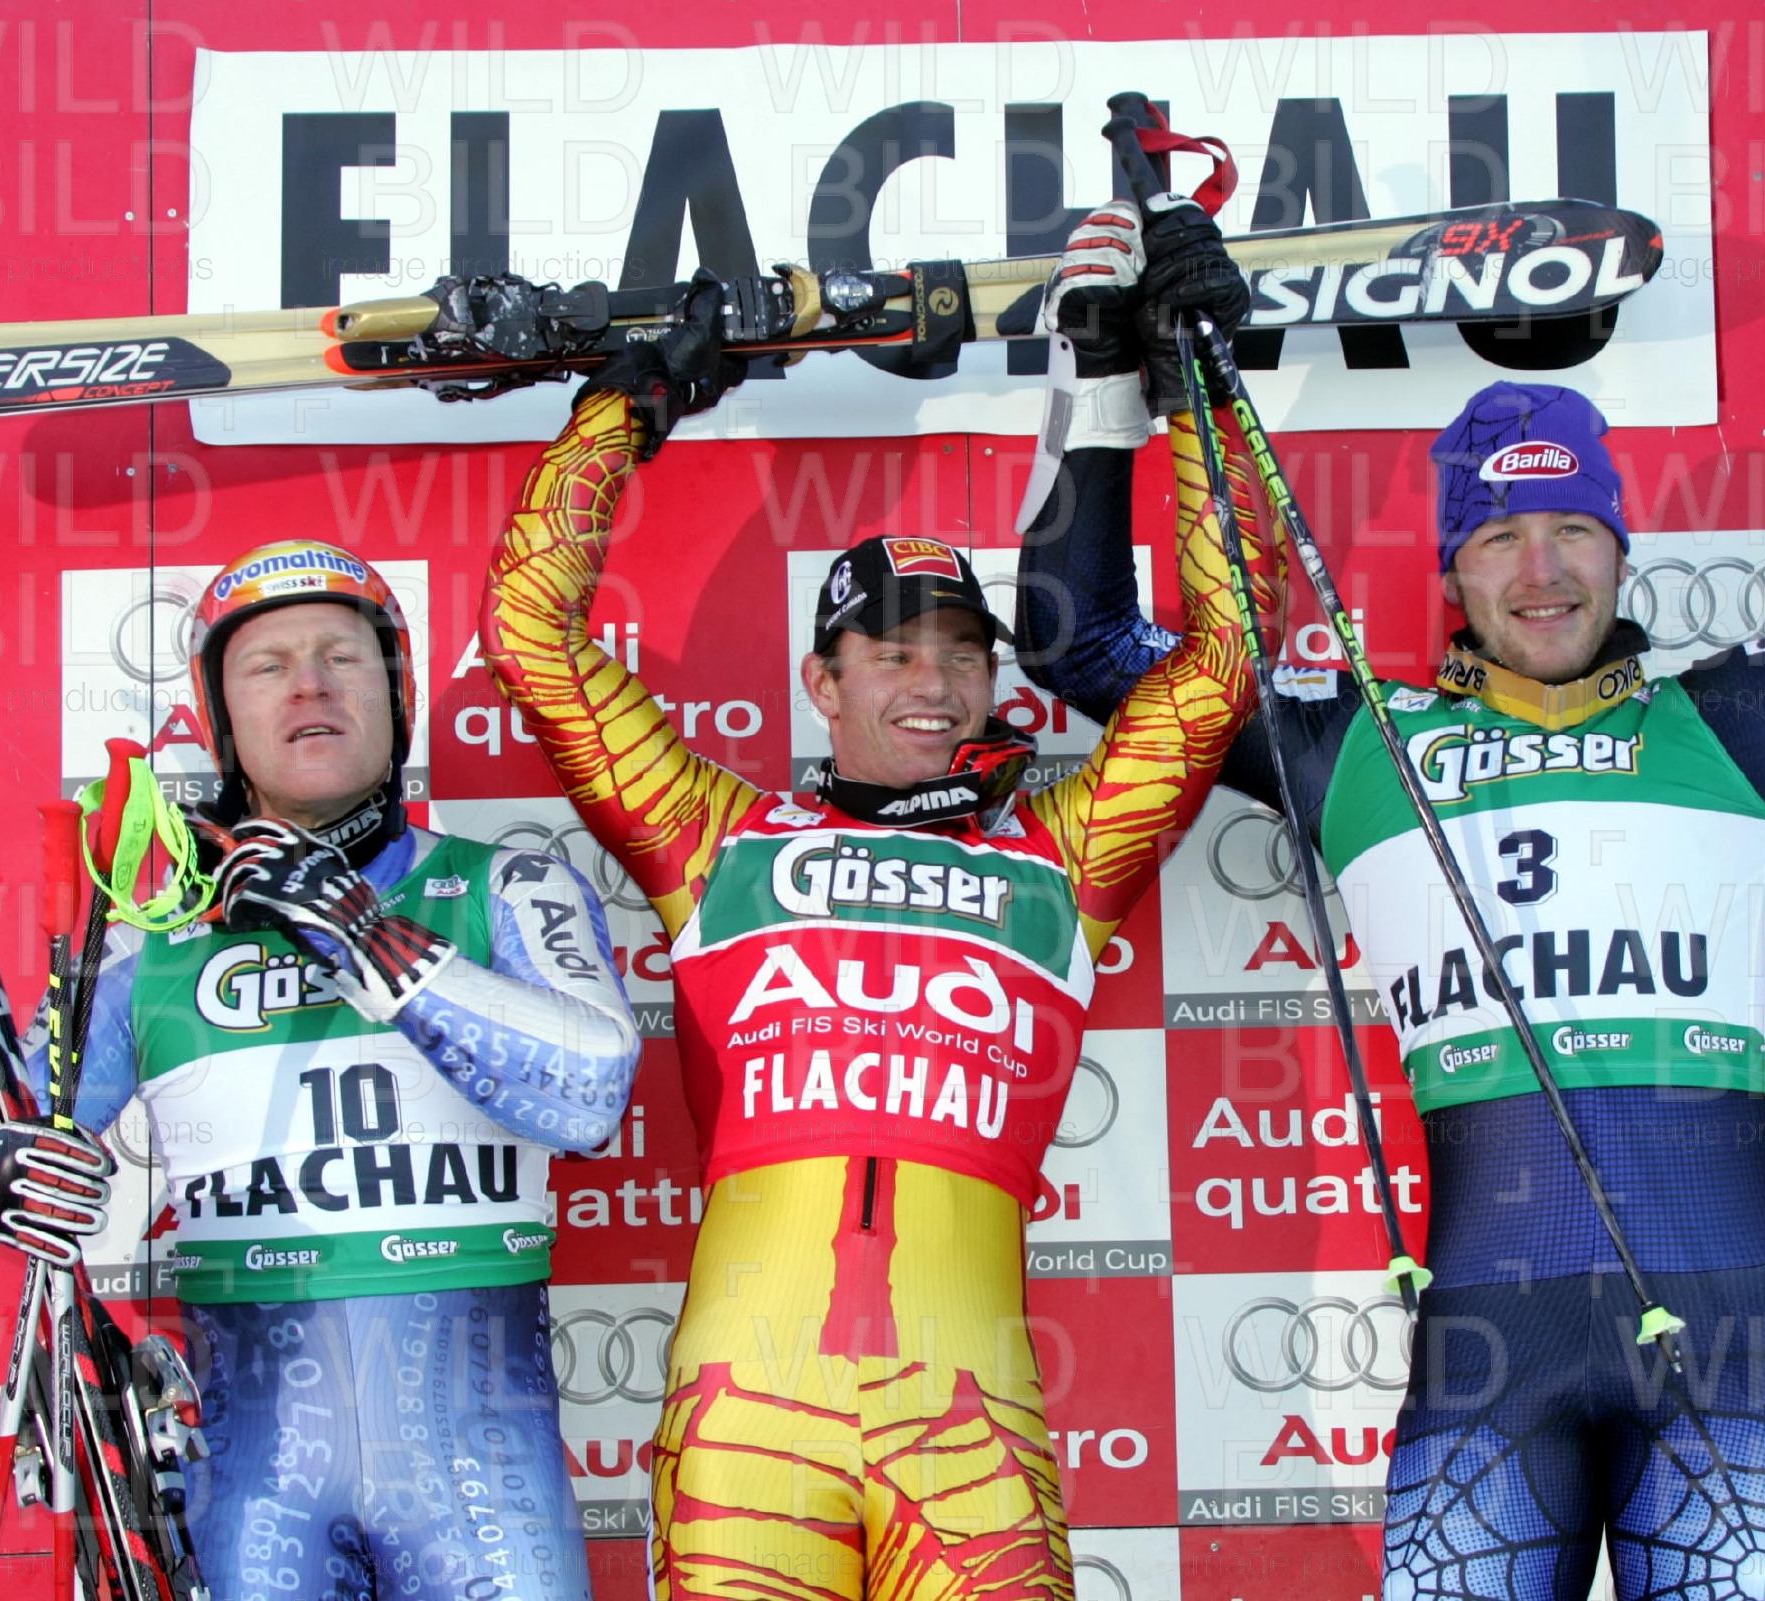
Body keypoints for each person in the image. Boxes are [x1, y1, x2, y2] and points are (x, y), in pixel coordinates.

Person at [1014, 158, 1765, 1600]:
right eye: (1499, 537)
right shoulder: (1359, 743)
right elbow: (1080, 641)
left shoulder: (1743, 720)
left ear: (1620, 546)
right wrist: (1102, 373)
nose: (1542, 570)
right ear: (1453, 573)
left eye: (1573, 528)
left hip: (1728, 1356)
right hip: (1490, 1358)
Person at [481, 205, 1267, 1598]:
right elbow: (529, 630)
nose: (935, 683)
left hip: (968, 1430)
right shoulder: (715, 839)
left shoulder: (1061, 857)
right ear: (821, 682)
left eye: (964, 654)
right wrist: (625, 407)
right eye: (892, 652)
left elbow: (1222, 663)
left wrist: (1192, 394)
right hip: (747, 1425)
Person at [0, 539, 643, 1601]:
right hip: (258, 1483)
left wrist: (366, 935)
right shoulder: (152, 950)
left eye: (343, 656)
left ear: (395, 699)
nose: (310, 684)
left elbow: (591, 1093)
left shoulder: (508, 883)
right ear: (222, 719)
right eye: (268, 665)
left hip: (485, 1475)